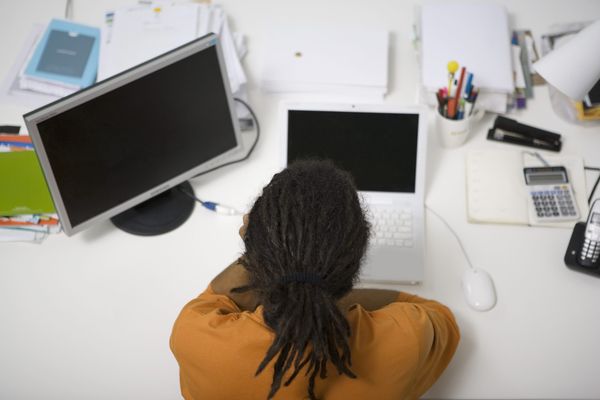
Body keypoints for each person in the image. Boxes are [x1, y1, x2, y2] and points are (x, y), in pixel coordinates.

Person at [170, 160, 460, 400]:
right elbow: (440, 317)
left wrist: (259, 248)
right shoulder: (406, 339)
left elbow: (215, 300)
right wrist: (325, 296)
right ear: (356, 259)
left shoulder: (196, 340)